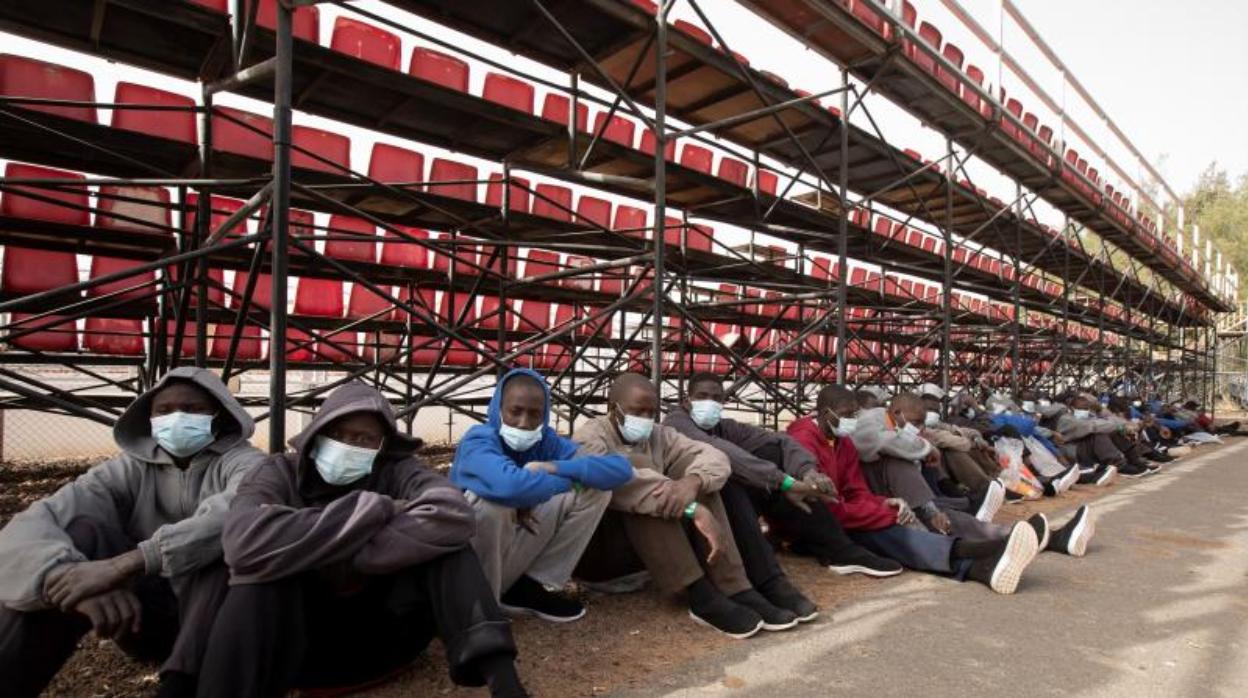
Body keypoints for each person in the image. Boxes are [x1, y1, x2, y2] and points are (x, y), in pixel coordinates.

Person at [196, 382, 525, 698]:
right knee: (258, 572)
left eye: (364, 439)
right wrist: (374, 509)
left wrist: (335, 552)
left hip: (386, 643)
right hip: (298, 651)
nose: (348, 445)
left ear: (382, 446)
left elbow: (453, 513)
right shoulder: (277, 472)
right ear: (317, 434)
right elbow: (243, 542)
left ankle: (506, 686)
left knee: (449, 549)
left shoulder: (397, 471)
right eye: (337, 434)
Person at [0, 367, 266, 698]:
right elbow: (38, 520)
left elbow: (240, 513)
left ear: (218, 416)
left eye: (193, 409)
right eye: (165, 411)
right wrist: (70, 577)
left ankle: (184, 687)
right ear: (150, 419)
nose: (178, 418)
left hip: (215, 624)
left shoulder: (247, 463)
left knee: (223, 551)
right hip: (136, 617)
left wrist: (125, 564)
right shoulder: (128, 468)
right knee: (75, 534)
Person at [574, 373, 800, 639]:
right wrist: (692, 508)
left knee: (697, 476)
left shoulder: (660, 435)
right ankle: (698, 592)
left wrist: (693, 482)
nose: (645, 419)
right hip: (601, 559)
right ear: (614, 409)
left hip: (642, 560)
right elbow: (622, 483)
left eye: (651, 412)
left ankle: (733, 585)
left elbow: (714, 456)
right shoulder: (590, 436)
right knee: (646, 479)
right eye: (638, 411)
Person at [786, 386, 1048, 594]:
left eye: (854, 415)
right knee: (888, 533)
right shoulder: (802, 440)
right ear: (823, 412)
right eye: (845, 415)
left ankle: (980, 565)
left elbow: (856, 490)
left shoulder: (843, 442)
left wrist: (884, 503)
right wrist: (881, 512)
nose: (852, 421)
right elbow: (825, 504)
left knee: (903, 517)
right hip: (815, 523)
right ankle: (982, 549)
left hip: (847, 513)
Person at [663, 373, 901, 580]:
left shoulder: (725, 426)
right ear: (687, 400)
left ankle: (838, 549)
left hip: (803, 503)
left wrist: (808, 472)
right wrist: (785, 481)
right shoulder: (677, 422)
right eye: (702, 396)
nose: (710, 403)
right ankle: (768, 570)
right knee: (738, 473)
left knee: (772, 451)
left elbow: (781, 440)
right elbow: (722, 452)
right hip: (684, 503)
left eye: (717, 398)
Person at [450, 368, 633, 622]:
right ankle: (476, 608)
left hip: (506, 552)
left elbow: (620, 470)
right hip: (463, 565)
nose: (524, 422)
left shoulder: (546, 441)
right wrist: (532, 494)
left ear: (545, 415)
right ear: (498, 409)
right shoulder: (478, 440)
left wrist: (551, 467)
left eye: (535, 414)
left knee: (597, 491)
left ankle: (527, 586)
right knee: (495, 505)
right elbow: (510, 486)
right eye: (515, 411)